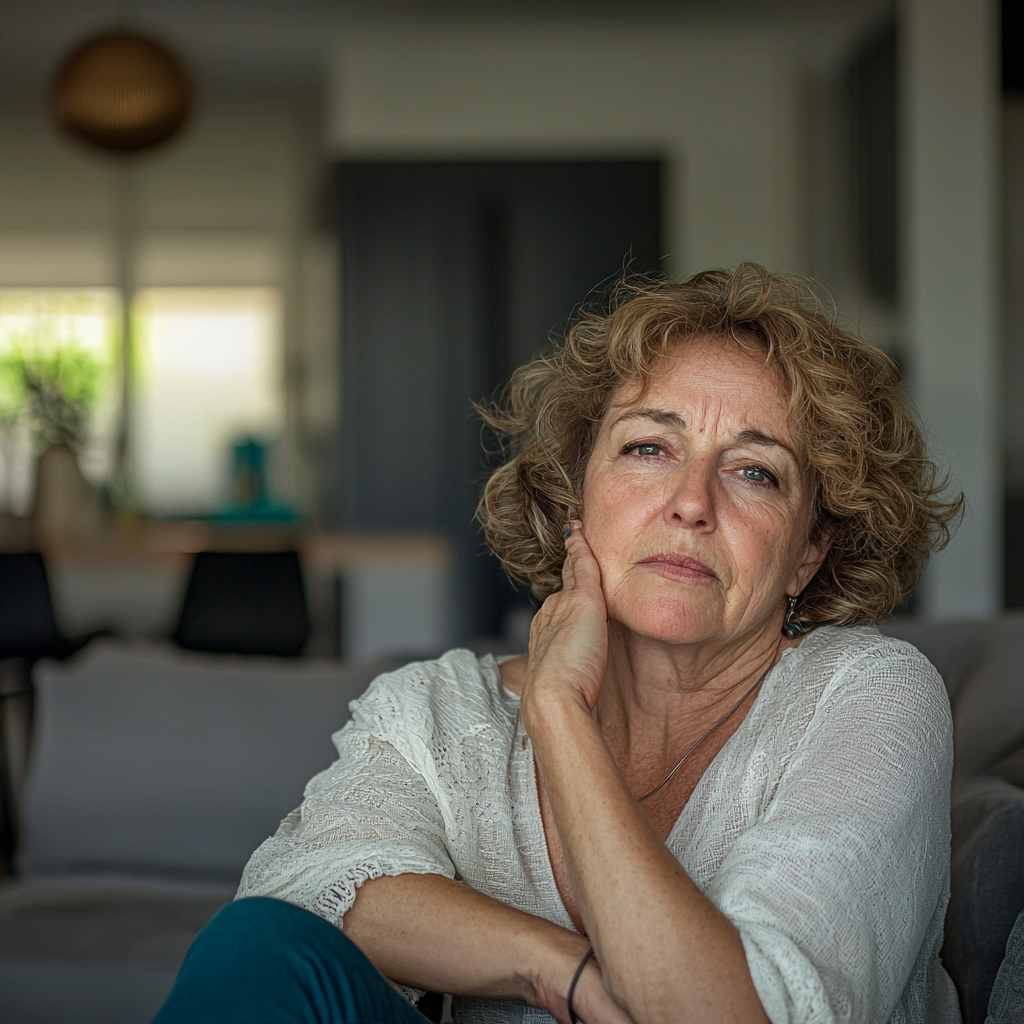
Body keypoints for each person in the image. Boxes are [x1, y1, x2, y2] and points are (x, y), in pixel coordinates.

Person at [154, 264, 964, 1024]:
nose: (692, 502)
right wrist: (555, 966)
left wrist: (559, 714)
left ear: (809, 551)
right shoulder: (439, 710)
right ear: (576, 499)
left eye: (755, 471)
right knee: (256, 948)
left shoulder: (869, 696)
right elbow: (302, 893)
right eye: (649, 448)